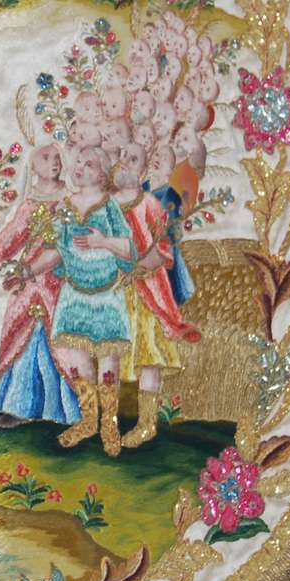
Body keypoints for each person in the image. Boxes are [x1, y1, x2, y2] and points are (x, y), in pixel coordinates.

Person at [24, 146, 135, 455]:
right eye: (79, 162)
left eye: (90, 164)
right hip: (73, 294)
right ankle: (88, 420)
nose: (80, 167)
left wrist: (103, 241)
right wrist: (26, 272)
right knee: (77, 360)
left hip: (106, 295)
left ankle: (109, 424)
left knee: (108, 361)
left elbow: (129, 249)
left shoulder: (109, 206)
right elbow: (56, 252)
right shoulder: (65, 207)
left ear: (102, 174)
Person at [0, 142, 79, 427]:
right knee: (22, 335)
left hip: (59, 283)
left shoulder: (70, 202)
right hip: (28, 285)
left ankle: (61, 409)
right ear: (34, 166)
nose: (54, 161)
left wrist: (30, 271)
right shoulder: (30, 205)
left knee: (59, 341)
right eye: (46, 157)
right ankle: (20, 405)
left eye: (57, 157)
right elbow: (7, 240)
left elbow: (65, 247)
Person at [113, 144, 201, 449]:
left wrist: (139, 269)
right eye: (122, 156)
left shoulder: (150, 204)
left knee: (149, 355)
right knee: (113, 353)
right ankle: (108, 418)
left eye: (133, 159)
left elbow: (163, 248)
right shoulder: (106, 205)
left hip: (148, 291)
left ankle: (147, 422)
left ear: (144, 169)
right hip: (115, 291)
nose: (125, 162)